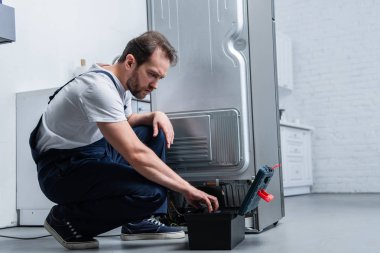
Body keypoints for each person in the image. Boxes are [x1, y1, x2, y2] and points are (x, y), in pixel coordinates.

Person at [29, 31, 219, 250]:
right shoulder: (99, 88)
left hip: (90, 153)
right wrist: (187, 189)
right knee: (153, 193)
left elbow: (126, 120)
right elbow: (136, 154)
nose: (155, 84)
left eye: (160, 78)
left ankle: (137, 222)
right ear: (130, 61)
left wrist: (154, 115)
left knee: (153, 131)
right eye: (152, 74)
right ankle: (67, 220)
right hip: (61, 172)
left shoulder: (120, 83)